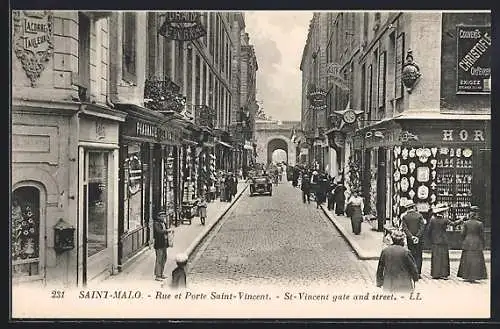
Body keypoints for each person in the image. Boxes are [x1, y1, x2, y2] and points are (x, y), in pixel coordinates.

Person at [426, 204, 463, 280]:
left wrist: (431, 238)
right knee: (444, 257)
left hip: (435, 241)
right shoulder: (445, 220)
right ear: (442, 213)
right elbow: (453, 224)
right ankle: (444, 274)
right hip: (443, 240)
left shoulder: (432, 220)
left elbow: (428, 230)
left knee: (436, 257)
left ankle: (435, 274)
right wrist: (461, 220)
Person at [457, 205, 488, 283]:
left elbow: (462, 233)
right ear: (477, 214)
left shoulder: (466, 223)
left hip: (467, 242)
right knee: (476, 260)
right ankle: (475, 275)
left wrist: (464, 240)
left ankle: (466, 275)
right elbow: (482, 235)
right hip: (477, 243)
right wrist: (483, 243)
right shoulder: (480, 224)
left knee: (466, 259)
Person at [401, 201, 426, 277]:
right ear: (414, 207)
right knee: (418, 255)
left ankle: (411, 272)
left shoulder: (405, 217)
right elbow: (422, 228)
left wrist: (411, 237)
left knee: (411, 254)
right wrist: (417, 236)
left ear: (408, 208)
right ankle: (418, 272)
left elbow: (405, 228)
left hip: (410, 239)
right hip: (419, 239)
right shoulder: (419, 216)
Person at [153, 210, 169, 281]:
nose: (163, 217)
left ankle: (161, 273)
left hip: (164, 243)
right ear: (158, 217)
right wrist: (167, 231)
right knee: (159, 259)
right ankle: (157, 275)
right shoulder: (156, 223)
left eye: (164, 216)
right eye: (162, 216)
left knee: (164, 258)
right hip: (159, 244)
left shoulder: (164, 223)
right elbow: (159, 231)